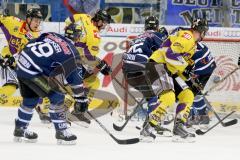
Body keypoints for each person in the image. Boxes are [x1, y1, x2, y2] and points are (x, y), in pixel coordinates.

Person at [13, 23, 87, 145]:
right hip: (33, 72)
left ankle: (20, 129)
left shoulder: (52, 35)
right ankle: (61, 132)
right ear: (78, 37)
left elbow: (36, 41)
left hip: (22, 63)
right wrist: (81, 99)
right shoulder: (72, 52)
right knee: (57, 96)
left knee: (30, 99)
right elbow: (74, 79)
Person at [143, 18, 209, 142]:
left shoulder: (192, 44)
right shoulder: (187, 37)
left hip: (168, 69)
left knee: (188, 94)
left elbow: (178, 65)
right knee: (169, 97)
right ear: (202, 31)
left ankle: (179, 128)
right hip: (156, 65)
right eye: (205, 31)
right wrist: (185, 66)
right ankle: (147, 129)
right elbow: (170, 54)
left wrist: (191, 79)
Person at [0, 8, 51, 123]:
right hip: (6, 59)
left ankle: (42, 110)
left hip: (19, 64)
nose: (38, 24)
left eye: (39, 21)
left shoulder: (35, 36)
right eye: (36, 20)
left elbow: (27, 54)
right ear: (28, 19)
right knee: (10, 88)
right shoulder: (13, 22)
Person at [64, 9, 112, 126]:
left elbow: (67, 21)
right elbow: (89, 58)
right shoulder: (95, 35)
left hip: (63, 54)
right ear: (99, 21)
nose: (104, 25)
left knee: (85, 81)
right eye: (104, 23)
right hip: (73, 62)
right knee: (91, 82)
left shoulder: (84, 16)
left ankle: (66, 110)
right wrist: (101, 65)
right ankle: (77, 112)